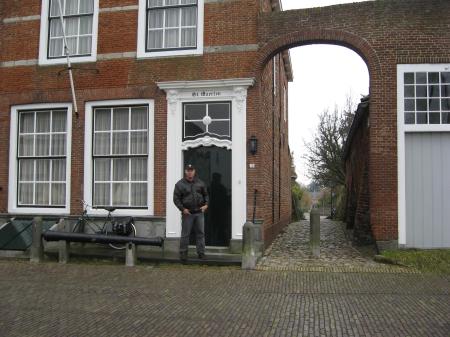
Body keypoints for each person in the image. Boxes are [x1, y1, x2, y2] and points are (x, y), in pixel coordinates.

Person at [173, 164, 209, 263]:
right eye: (188, 170)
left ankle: (201, 253)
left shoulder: (200, 183)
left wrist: (206, 205)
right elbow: (176, 199)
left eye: (191, 170)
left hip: (199, 213)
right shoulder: (179, 184)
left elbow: (206, 195)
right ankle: (183, 254)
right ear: (185, 171)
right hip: (187, 213)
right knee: (185, 234)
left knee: (200, 234)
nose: (190, 172)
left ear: (194, 171)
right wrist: (182, 209)